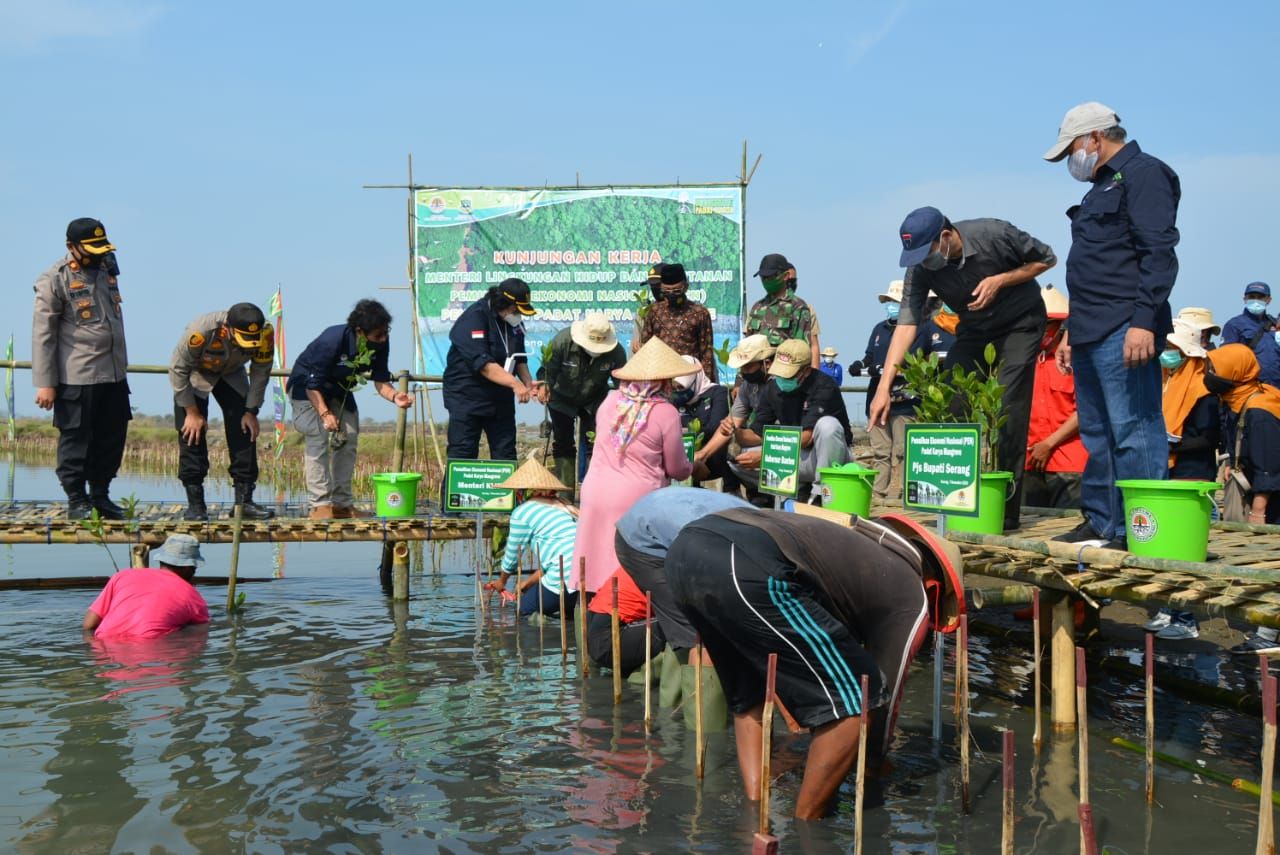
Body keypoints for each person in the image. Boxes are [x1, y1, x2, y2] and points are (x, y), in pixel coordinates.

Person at [665, 505, 963, 819]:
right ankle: (806, 825)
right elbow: (879, 694)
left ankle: (755, 810)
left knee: (748, 695)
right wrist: (873, 762)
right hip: (746, 562)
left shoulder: (861, 550)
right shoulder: (912, 597)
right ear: (935, 587)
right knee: (860, 700)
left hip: (686, 550)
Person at [1044, 101, 1180, 550]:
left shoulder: (1144, 174)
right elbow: (1091, 268)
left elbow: (1157, 253)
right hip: (1089, 328)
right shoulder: (1099, 187)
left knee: (1134, 431)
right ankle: (1104, 523)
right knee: (1098, 433)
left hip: (1125, 325)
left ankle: (1143, 531)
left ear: (1095, 138)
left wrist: (1143, 322)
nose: (1071, 160)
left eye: (1072, 150)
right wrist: (1069, 331)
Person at [878, 207, 1056, 532]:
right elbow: (906, 323)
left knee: (1007, 407)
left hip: (1020, 324)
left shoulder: (994, 233)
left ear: (945, 236)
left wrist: (1002, 279)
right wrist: (883, 387)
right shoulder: (920, 269)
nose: (923, 260)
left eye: (927, 251)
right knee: (951, 403)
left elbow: (1047, 258)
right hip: (974, 330)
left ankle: (1005, 511)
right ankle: (957, 496)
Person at [571, 338, 693, 595]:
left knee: (595, 563)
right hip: (636, 499)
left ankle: (594, 615)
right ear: (662, 381)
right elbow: (677, 467)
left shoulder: (609, 401)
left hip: (595, 492)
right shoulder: (665, 411)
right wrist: (694, 465)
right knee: (627, 568)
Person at [32, 218, 131, 520]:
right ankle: (77, 500)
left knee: (112, 437)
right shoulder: (55, 279)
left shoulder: (106, 270)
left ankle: (100, 495)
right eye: (91, 249)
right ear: (70, 247)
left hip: (113, 373)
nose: (98, 254)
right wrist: (45, 383)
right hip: (78, 375)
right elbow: (43, 334)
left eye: (101, 248)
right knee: (75, 440)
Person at [287, 299, 415, 519]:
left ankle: (342, 505)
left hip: (339, 390)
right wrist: (326, 414)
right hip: (306, 389)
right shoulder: (332, 340)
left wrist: (395, 397)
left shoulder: (381, 342)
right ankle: (320, 505)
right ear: (360, 331)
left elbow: (381, 380)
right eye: (378, 335)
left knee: (350, 438)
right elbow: (312, 386)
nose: (383, 338)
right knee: (318, 435)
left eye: (386, 332)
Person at [1144, 320, 1221, 641]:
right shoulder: (1166, 382)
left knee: (1187, 551)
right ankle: (1167, 606)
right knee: (1167, 544)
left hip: (1193, 472)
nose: (1166, 355)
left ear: (1187, 354)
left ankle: (1187, 616)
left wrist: (1174, 443)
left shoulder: (1204, 389)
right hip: (1169, 470)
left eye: (1172, 350)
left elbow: (1209, 438)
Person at [1201, 345, 1280, 654]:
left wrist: (1258, 511)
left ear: (1235, 372)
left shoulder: (1259, 409)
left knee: (1271, 561)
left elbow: (1269, 466)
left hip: (1271, 502)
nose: (1210, 375)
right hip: (1266, 494)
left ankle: (1266, 635)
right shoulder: (1240, 399)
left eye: (1215, 369)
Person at [169, 303, 276, 521]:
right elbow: (178, 369)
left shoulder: (265, 333)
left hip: (232, 375)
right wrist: (191, 412)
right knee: (191, 433)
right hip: (197, 374)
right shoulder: (201, 331)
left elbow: (260, 372)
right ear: (227, 329)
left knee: (245, 431)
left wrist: (251, 410)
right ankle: (196, 506)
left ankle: (244, 503)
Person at [614, 485, 750, 653]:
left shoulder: (764, 524)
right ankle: (690, 673)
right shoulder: (740, 542)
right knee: (697, 630)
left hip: (659, 514)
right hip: (642, 538)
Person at [851, 280, 933, 502]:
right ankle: (879, 493)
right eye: (887, 301)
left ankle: (903, 493)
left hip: (905, 399)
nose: (890, 306)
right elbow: (870, 355)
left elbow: (916, 359)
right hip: (877, 398)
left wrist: (889, 368)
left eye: (894, 302)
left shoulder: (920, 328)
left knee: (903, 451)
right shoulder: (879, 329)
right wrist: (861, 364)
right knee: (880, 450)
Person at [443, 279, 537, 464]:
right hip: (467, 397)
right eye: (516, 310)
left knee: (506, 454)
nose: (518, 315)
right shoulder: (474, 318)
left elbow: (519, 358)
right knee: (464, 453)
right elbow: (484, 365)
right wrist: (515, 384)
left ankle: (507, 494)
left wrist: (529, 384)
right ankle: (453, 494)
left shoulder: (514, 323)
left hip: (500, 399)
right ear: (503, 303)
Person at [746, 339, 851, 497]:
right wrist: (732, 433)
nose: (782, 379)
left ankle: (821, 494)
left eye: (788, 374)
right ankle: (785, 494)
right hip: (797, 456)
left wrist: (766, 457)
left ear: (806, 371)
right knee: (742, 455)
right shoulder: (772, 388)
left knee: (828, 425)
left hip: (827, 458)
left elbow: (806, 438)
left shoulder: (824, 386)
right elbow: (757, 433)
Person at [537, 313, 626, 493]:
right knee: (563, 443)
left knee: (596, 443)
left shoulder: (616, 352)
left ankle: (593, 493)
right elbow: (547, 372)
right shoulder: (562, 341)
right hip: (561, 398)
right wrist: (543, 386)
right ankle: (565, 493)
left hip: (594, 400)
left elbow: (623, 384)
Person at [483, 457, 579, 617]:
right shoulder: (565, 506)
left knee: (524, 610)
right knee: (569, 613)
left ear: (525, 491)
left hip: (567, 576)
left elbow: (512, 557)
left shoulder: (523, 512)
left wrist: (502, 581)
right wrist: (527, 583)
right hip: (589, 576)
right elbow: (559, 559)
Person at [1024, 286, 1086, 510]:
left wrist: (1049, 443)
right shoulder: (1024, 358)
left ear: (1060, 325)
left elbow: (1085, 411)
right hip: (1029, 462)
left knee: (1066, 529)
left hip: (1069, 465)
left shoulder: (1077, 360)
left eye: (1046, 323)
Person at [82, 534, 210, 639]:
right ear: (188, 567)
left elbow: (89, 624)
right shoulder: (193, 597)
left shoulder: (122, 576)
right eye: (195, 567)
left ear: (161, 560)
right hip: (152, 653)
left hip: (105, 651)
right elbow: (200, 635)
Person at [636, 263, 718, 381]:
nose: (671, 294)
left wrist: (706, 386)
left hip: (690, 381)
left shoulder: (700, 313)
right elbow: (646, 345)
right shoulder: (654, 311)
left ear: (686, 287)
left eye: (676, 290)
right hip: (660, 380)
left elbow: (706, 354)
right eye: (667, 290)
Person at [719, 335, 776, 505]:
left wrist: (766, 456)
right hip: (759, 435)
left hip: (784, 442)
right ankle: (756, 492)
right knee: (728, 452)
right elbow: (733, 420)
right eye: (742, 368)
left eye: (750, 366)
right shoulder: (747, 386)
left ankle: (775, 494)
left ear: (766, 362)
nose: (745, 372)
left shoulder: (779, 385)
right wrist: (703, 453)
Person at [585, 566, 665, 676]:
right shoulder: (664, 568)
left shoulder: (636, 561)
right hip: (609, 640)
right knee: (682, 626)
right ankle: (642, 679)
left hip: (596, 630)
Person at [671, 355, 735, 489]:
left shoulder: (718, 393)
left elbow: (715, 427)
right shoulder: (674, 400)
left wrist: (687, 427)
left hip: (714, 459)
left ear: (695, 380)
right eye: (675, 388)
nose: (678, 392)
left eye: (681, 387)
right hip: (685, 464)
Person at [746, 253, 819, 367]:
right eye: (763, 277)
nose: (766, 281)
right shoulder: (757, 307)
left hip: (784, 378)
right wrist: (740, 382)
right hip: (756, 379)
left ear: (785, 276)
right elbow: (746, 350)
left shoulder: (798, 307)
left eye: (770, 277)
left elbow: (802, 351)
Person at [1221, 282, 1280, 386]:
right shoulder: (1234, 325)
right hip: (1250, 389)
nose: (1256, 300)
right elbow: (1226, 360)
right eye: (1252, 297)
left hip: (1276, 388)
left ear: (1268, 300)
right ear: (1245, 299)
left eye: (1260, 297)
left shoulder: (1275, 325)